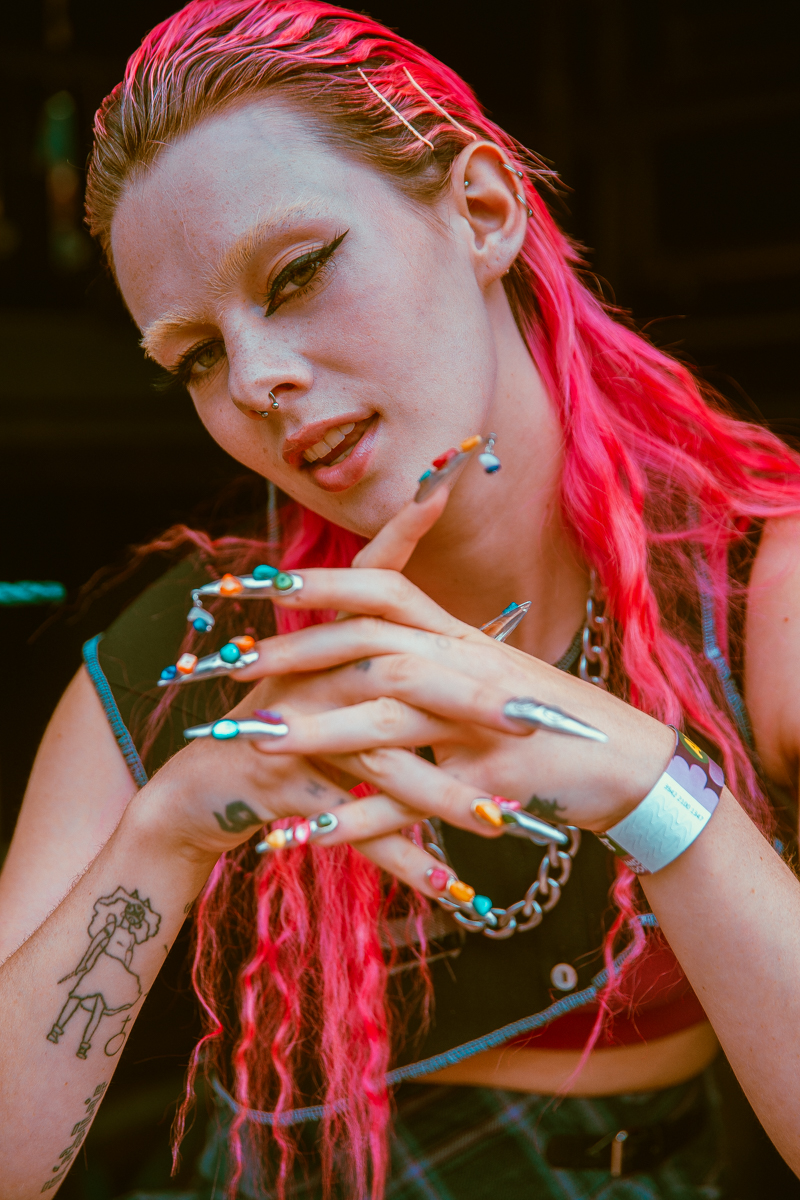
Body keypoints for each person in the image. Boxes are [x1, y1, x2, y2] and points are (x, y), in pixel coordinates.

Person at [2, 2, 800, 1196]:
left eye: (296, 274)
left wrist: (652, 792)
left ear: (480, 210)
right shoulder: (209, 646)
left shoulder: (753, 591)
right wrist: (168, 833)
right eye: (197, 358)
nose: (256, 380)